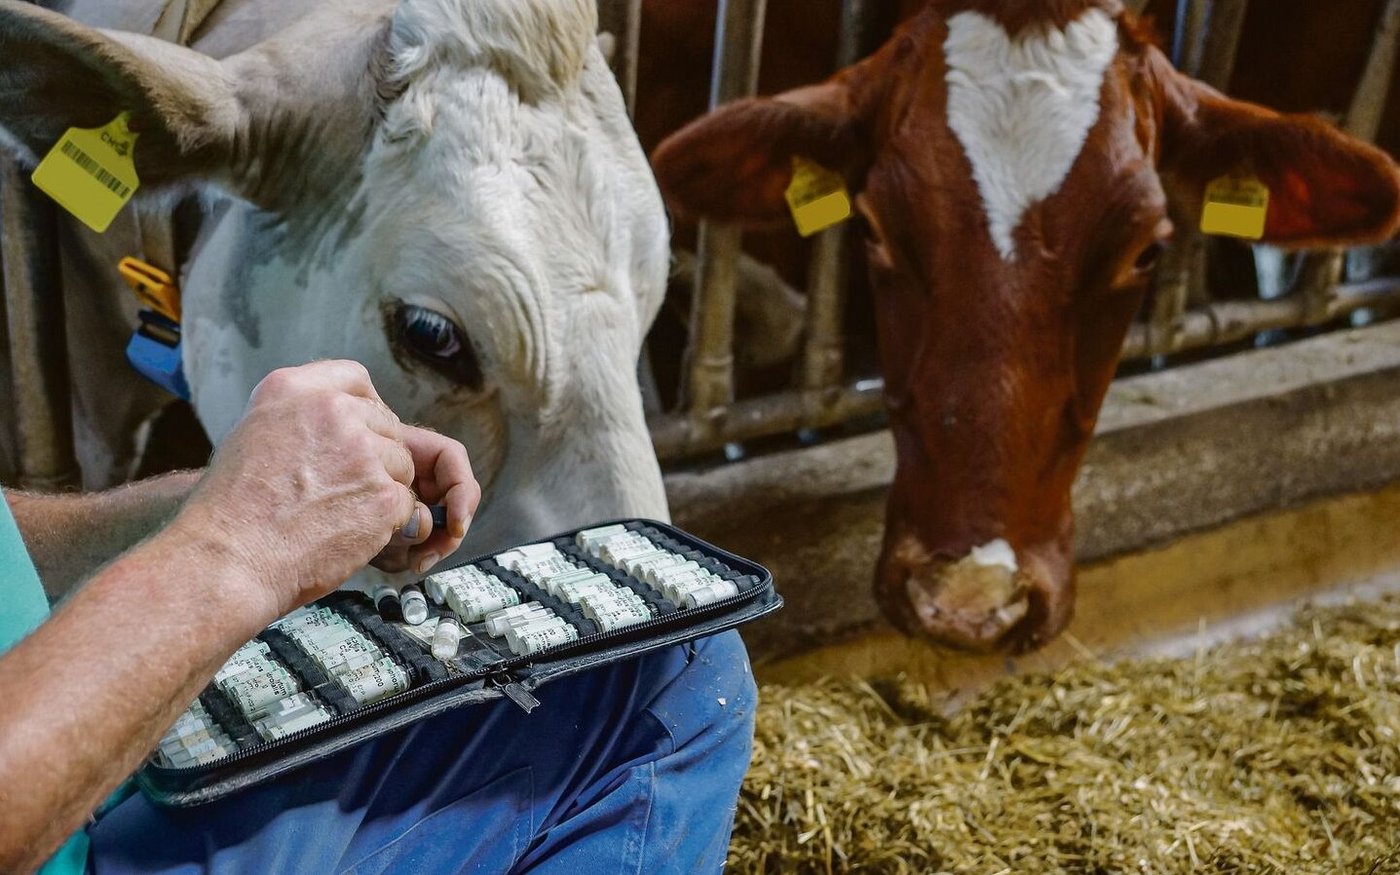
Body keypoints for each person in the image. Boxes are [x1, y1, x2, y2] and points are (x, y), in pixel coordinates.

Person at [0, 360, 757, 874]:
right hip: (57, 833)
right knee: (678, 679)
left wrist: (250, 494)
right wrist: (235, 541)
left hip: (91, 752)